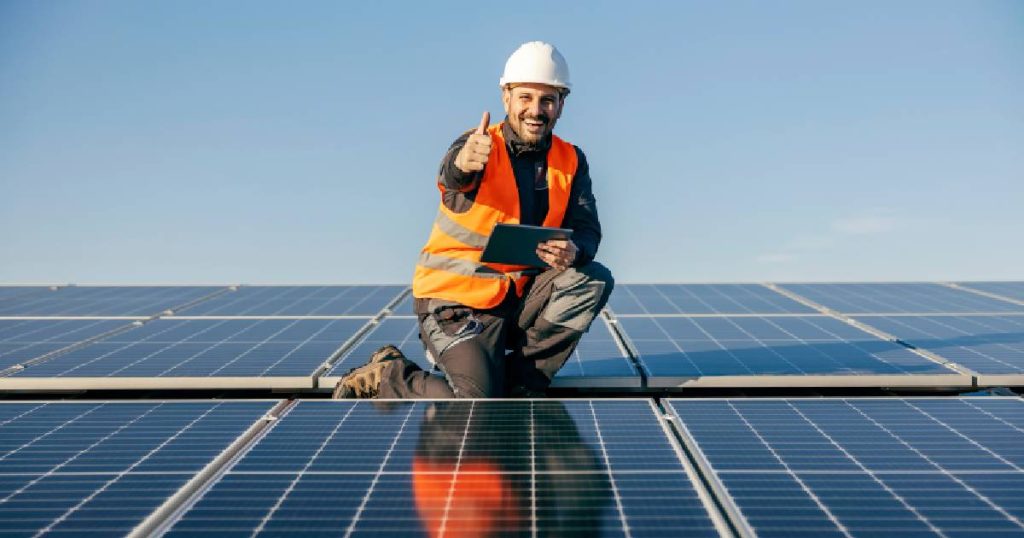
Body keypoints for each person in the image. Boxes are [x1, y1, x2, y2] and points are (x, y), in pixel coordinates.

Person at [333, 41, 613, 399]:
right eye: (525, 97)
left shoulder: (572, 160)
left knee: (591, 279)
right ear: (506, 98)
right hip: (456, 303)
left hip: (517, 301)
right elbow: (453, 175)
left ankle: (523, 383)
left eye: (547, 100)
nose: (536, 110)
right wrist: (464, 162)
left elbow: (588, 229)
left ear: (561, 104)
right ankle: (392, 374)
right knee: (475, 403)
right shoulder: (478, 145)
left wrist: (574, 251)